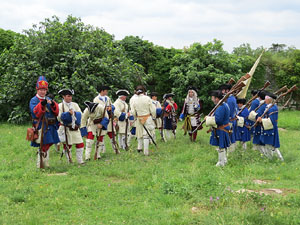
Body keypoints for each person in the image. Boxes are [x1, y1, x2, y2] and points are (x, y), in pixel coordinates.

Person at [29, 76, 60, 168]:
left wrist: (53, 103)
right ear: (37, 89)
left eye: (44, 90)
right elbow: (35, 112)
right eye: (41, 90)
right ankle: (40, 165)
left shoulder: (48, 99)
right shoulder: (34, 100)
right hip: (41, 125)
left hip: (50, 125)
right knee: (44, 145)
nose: (43, 92)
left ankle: (46, 163)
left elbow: (56, 111)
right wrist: (42, 104)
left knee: (49, 143)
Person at [57, 89, 85, 164]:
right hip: (66, 128)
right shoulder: (60, 106)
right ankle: (69, 160)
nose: (70, 98)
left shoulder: (75, 105)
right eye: (68, 96)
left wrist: (74, 113)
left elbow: (80, 114)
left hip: (75, 127)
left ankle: (80, 161)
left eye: (71, 96)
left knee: (80, 144)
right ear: (64, 96)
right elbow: (59, 117)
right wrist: (68, 114)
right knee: (67, 145)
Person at [206, 90, 230, 167]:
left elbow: (218, 120)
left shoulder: (221, 107)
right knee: (221, 146)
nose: (212, 99)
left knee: (221, 146)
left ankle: (221, 162)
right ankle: (224, 160)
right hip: (223, 128)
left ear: (216, 98)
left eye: (213, 98)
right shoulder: (223, 105)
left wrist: (208, 119)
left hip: (221, 129)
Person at [131, 85, 157, 156]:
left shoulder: (134, 100)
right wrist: (153, 116)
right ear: (144, 91)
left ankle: (140, 148)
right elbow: (153, 109)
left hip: (139, 118)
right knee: (146, 134)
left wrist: (136, 116)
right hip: (147, 117)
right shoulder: (147, 98)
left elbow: (133, 111)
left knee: (139, 133)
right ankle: (146, 152)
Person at [257, 92, 284, 161]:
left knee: (271, 146)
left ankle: (279, 159)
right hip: (267, 128)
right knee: (267, 145)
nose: (265, 100)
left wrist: (261, 120)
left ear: (270, 100)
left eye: (266, 99)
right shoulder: (269, 107)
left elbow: (272, 121)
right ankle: (270, 159)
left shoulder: (273, 108)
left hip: (270, 129)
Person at [93, 85, 118, 153]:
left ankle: (115, 149)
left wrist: (111, 108)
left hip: (109, 119)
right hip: (102, 119)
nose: (107, 92)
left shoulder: (108, 98)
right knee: (100, 136)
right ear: (102, 91)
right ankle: (99, 151)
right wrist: (105, 109)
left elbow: (111, 105)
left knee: (112, 134)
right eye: (106, 91)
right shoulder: (96, 99)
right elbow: (96, 109)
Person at [219, 84, 237, 152]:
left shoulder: (229, 100)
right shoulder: (231, 98)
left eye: (223, 91)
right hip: (231, 120)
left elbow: (228, 112)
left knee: (229, 138)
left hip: (229, 120)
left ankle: (229, 151)